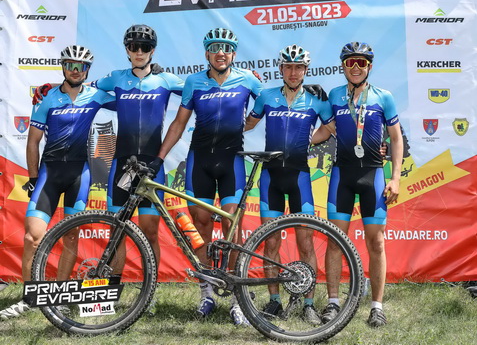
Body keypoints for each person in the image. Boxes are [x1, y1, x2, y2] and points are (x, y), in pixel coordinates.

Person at [32, 25, 184, 275]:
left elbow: (201, 87)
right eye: (134, 47)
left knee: (150, 231)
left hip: (152, 165)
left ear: (152, 51)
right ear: (127, 50)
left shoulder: (165, 80)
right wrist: (49, 86)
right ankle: (112, 287)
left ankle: (152, 288)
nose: (139, 52)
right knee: (117, 230)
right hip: (121, 164)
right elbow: (80, 85)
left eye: (144, 47)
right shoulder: (115, 78)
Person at [150, 28, 262, 325]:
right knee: (200, 225)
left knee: (232, 225)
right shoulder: (194, 81)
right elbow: (179, 123)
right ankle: (207, 292)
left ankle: (238, 297)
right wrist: (159, 157)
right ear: (207, 53)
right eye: (214, 47)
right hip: (200, 160)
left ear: (233, 53)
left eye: (226, 48)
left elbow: (274, 102)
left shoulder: (248, 80)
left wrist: (306, 90)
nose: (220, 52)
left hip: (232, 161)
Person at [0, 46, 115, 319]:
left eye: (81, 66)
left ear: (87, 70)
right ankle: (30, 297)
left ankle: (60, 297)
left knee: (71, 236)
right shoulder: (47, 98)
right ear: (63, 67)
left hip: (79, 175)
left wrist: (149, 75)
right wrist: (32, 178)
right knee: (32, 237)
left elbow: (128, 97)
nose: (75, 70)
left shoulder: (96, 95)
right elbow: (33, 141)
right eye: (70, 65)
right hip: (49, 174)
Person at [244, 44, 334, 324]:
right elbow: (248, 124)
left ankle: (308, 303)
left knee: (305, 243)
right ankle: (274, 302)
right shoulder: (267, 96)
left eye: (299, 67)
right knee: (270, 242)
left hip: (299, 178)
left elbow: (333, 128)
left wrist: (310, 140)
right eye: (288, 67)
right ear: (281, 69)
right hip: (270, 178)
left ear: (306, 70)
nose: (293, 72)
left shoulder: (317, 100)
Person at [318, 42, 403, 328]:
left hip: (373, 175)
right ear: (343, 66)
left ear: (370, 66)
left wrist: (395, 178)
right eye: (350, 62)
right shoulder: (334, 95)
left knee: (376, 242)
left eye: (361, 63)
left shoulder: (383, 96)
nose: (355, 68)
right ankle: (333, 302)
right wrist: (299, 144)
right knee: (334, 240)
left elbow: (396, 138)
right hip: (341, 175)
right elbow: (326, 129)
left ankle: (377, 307)